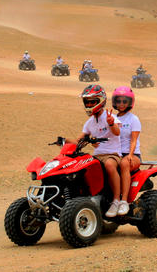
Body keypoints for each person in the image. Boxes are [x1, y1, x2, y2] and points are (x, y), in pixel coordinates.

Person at [66, 85, 123, 217]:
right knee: (81, 168)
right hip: (96, 156)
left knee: (109, 165)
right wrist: (64, 141)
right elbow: (78, 140)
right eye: (87, 102)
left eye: (93, 101)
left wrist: (110, 123)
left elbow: (117, 131)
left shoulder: (111, 117)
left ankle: (116, 201)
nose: (90, 104)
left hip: (112, 154)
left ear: (101, 101)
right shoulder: (89, 123)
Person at [112, 86, 141, 217]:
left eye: (125, 101)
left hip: (132, 155)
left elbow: (134, 140)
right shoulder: (112, 118)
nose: (121, 104)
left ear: (130, 103)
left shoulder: (133, 119)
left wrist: (130, 154)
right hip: (116, 153)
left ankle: (124, 201)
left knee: (124, 164)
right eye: (119, 101)